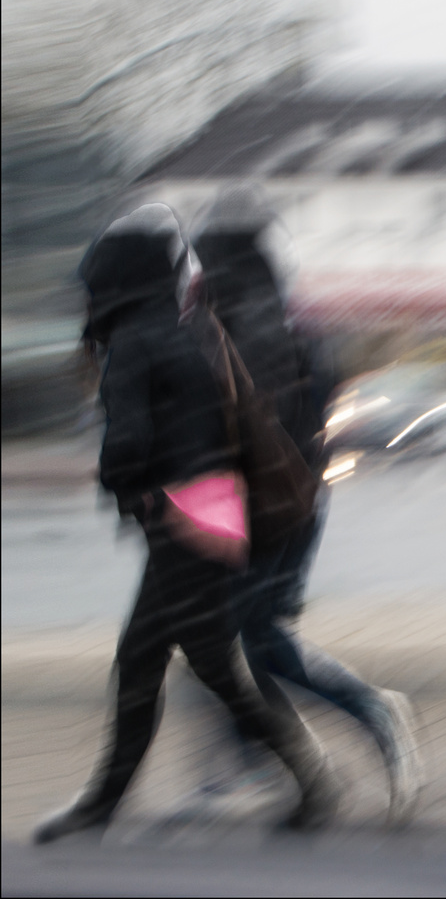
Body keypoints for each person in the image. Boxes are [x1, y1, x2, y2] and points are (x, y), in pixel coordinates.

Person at [34, 206, 338, 843]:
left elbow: (128, 443)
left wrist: (127, 489)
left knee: (207, 669)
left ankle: (313, 782)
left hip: (175, 522)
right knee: (147, 661)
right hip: (214, 513)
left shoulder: (131, 344)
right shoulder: (186, 332)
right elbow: (212, 431)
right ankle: (101, 804)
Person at [190, 185, 423, 823]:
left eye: (203, 255)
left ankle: (368, 711)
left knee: (246, 634)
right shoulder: (288, 319)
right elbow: (315, 404)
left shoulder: (236, 324)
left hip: (254, 508)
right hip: (297, 502)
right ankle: (250, 763)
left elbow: (231, 425)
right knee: (244, 632)